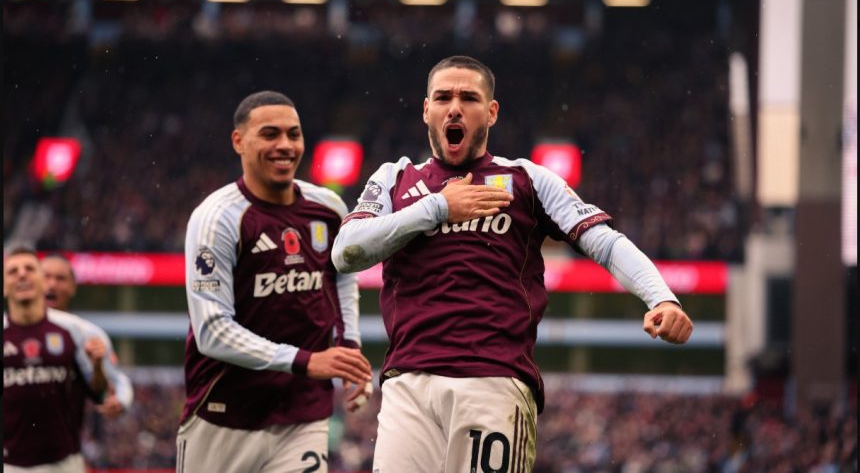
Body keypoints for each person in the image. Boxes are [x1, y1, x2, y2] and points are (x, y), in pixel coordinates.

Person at [332, 55, 695, 472]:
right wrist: (437, 208)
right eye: (443, 97)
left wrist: (662, 298)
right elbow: (345, 252)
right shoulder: (394, 179)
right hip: (407, 385)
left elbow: (605, 243)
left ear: (491, 112)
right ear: (426, 109)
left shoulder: (528, 179)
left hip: (493, 381)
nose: (455, 107)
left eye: (469, 97)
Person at [177, 90, 373, 473]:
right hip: (223, 414)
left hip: (303, 415)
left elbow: (344, 278)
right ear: (239, 141)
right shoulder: (217, 218)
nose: (285, 145)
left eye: (293, 134)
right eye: (269, 134)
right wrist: (305, 361)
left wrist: (348, 347)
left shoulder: (330, 209)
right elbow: (212, 331)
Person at [3, 246, 124, 472]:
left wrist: (97, 365)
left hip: (65, 464)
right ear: (4, 287)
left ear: (41, 282)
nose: (22, 274)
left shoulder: (72, 333)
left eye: (30, 268)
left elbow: (98, 392)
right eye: (13, 271)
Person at [42, 253, 134, 419]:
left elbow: (114, 381)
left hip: (65, 436)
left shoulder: (87, 333)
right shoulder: (9, 329)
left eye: (60, 278)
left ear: (73, 287)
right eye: (45, 277)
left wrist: (120, 399)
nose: (52, 284)